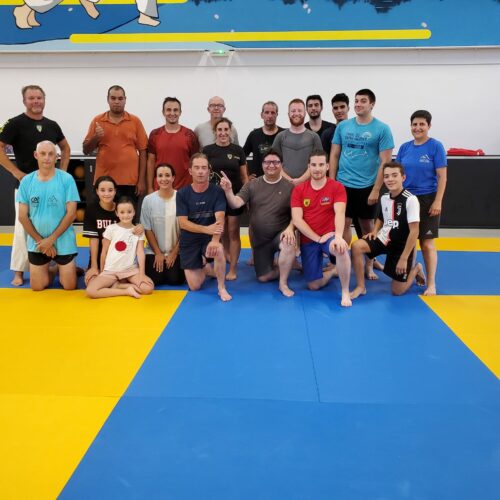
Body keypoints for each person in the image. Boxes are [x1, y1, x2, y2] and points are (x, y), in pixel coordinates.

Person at [0, 84, 70, 286]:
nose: (36, 101)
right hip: (26, 185)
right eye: (31, 98)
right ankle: (19, 271)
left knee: (52, 224)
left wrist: (63, 173)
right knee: (22, 227)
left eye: (39, 98)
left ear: (44, 100)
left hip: (52, 185)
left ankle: (53, 263)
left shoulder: (52, 125)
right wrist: (15, 172)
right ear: (24, 101)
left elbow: (65, 148)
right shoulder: (15, 123)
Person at [330, 88, 394, 279]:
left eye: (363, 101)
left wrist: (376, 189)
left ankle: (369, 265)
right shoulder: (343, 127)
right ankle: (342, 264)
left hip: (367, 186)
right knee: (343, 225)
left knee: (367, 227)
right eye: (356, 101)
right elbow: (334, 155)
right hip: (343, 184)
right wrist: (332, 182)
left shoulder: (382, 129)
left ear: (372, 104)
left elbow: (385, 162)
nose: (358, 104)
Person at [220, 150, 296, 297]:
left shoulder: (290, 187)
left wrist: (290, 229)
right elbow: (236, 203)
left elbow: (297, 215)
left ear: (281, 165)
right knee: (263, 278)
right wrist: (228, 191)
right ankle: (284, 265)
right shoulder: (252, 185)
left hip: (280, 235)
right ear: (262, 164)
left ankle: (283, 283)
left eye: (275, 162)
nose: (271, 165)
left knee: (288, 243)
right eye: (267, 162)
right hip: (260, 241)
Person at [350, 162, 426, 298]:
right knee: (356, 246)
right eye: (386, 176)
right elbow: (381, 217)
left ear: (403, 177)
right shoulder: (384, 197)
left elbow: (415, 232)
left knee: (397, 291)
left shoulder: (411, 200)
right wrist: (375, 231)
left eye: (394, 175)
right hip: (384, 239)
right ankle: (360, 287)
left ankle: (416, 269)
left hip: (401, 247)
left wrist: (404, 258)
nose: (390, 179)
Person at [291, 150, 352, 307]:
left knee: (341, 249)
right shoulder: (299, 190)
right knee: (313, 285)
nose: (317, 169)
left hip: (329, 236)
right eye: (313, 165)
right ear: (308, 167)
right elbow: (297, 220)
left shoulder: (337, 187)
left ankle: (345, 291)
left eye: (320, 165)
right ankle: (333, 271)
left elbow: (340, 213)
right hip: (309, 240)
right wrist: (317, 238)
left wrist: (338, 236)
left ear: (327, 166)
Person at [396, 110, 447, 296]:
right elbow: (397, 174)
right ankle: (413, 270)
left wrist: (438, 201)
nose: (417, 128)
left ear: (429, 126)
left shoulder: (435, 146)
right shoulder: (404, 148)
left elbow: (442, 177)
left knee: (426, 243)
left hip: (427, 199)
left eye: (421, 124)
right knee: (406, 241)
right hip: (407, 198)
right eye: (414, 124)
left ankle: (431, 283)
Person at [17, 141, 79, 291]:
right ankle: (54, 270)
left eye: (51, 154)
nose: (47, 158)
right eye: (43, 154)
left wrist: (51, 239)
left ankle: (62, 268)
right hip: (38, 243)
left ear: (57, 157)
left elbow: (71, 214)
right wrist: (41, 241)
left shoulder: (66, 179)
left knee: (69, 286)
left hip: (63, 241)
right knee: (37, 287)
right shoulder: (26, 181)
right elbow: (22, 217)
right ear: (36, 155)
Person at [176, 153, 232, 302]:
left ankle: (221, 287)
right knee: (195, 286)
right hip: (189, 240)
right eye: (196, 168)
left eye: (203, 168)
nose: (200, 171)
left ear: (208, 171)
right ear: (190, 171)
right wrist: (206, 229)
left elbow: (220, 219)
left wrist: (215, 240)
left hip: (209, 238)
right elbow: (183, 223)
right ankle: (205, 266)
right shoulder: (182, 193)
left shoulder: (217, 192)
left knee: (218, 249)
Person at [83, 85, 148, 202]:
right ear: (107, 99)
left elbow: (143, 151)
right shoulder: (98, 120)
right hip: (104, 182)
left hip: (130, 182)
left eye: (120, 98)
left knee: (127, 213)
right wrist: (96, 137)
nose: (117, 102)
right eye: (113, 98)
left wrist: (142, 180)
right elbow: (86, 150)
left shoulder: (135, 121)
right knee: (104, 214)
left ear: (125, 100)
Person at [203, 118, 248, 280]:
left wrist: (247, 197)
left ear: (230, 131)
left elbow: (244, 177)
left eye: (226, 129)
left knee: (233, 232)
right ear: (215, 132)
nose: (223, 133)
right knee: (219, 232)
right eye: (219, 130)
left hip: (234, 197)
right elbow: (203, 174)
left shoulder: (238, 150)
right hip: (215, 198)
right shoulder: (207, 150)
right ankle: (223, 260)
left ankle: (233, 269)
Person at [86, 196, 154, 299]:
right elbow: (104, 252)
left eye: (129, 212)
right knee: (91, 291)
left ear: (134, 212)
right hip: (111, 270)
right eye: (122, 212)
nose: (126, 215)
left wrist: (142, 274)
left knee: (148, 288)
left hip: (130, 270)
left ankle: (119, 285)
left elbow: (140, 253)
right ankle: (126, 290)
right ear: (117, 213)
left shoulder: (138, 231)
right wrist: (102, 272)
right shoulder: (111, 229)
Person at [140, 164, 185, 286]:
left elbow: (185, 229)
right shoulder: (148, 200)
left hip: (176, 250)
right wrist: (158, 253)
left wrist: (174, 253)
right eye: (160, 175)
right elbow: (147, 229)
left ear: (173, 177)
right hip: (154, 251)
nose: (164, 179)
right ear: (156, 178)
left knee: (175, 280)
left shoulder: (182, 198)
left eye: (167, 175)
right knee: (156, 280)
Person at [146, 97, 199, 193]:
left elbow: (195, 163)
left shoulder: (190, 135)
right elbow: (150, 162)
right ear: (163, 112)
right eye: (168, 110)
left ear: (180, 112)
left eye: (175, 110)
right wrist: (150, 187)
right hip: (160, 189)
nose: (172, 113)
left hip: (185, 189)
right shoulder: (155, 134)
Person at [272, 98, 322, 185]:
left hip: (309, 185)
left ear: (305, 113)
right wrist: (289, 180)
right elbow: (274, 163)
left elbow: (318, 163)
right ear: (288, 114)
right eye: (293, 111)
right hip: (283, 185)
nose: (296, 113)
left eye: (299, 111)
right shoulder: (280, 137)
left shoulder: (314, 137)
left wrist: (300, 180)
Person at [243, 101, 284, 179]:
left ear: (277, 115)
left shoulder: (284, 134)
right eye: (267, 112)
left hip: (280, 180)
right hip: (258, 181)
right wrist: (246, 176)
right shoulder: (254, 135)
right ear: (262, 115)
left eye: (273, 113)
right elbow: (242, 157)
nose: (270, 116)